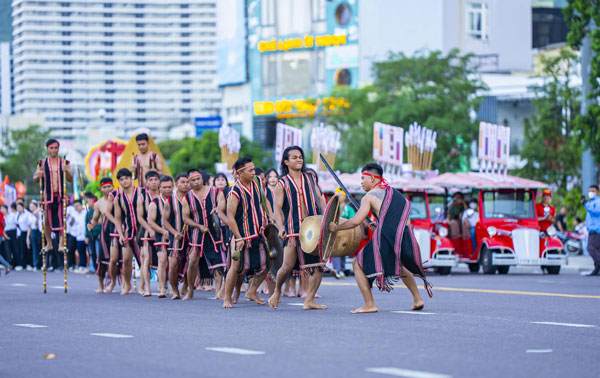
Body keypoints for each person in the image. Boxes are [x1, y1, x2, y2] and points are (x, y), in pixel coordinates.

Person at [328, 163, 432, 313]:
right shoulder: (394, 192)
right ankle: (417, 299)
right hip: (406, 235)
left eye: (363, 178)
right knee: (400, 265)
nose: (361, 182)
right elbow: (397, 219)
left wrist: (336, 227)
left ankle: (369, 304)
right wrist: (381, 224)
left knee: (358, 264)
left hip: (388, 236)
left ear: (371, 178)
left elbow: (356, 221)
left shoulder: (368, 197)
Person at [269, 146, 328, 310]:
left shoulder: (310, 179)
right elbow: (277, 209)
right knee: (287, 266)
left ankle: (309, 300)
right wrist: (280, 228)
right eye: (294, 157)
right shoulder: (282, 183)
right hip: (292, 229)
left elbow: (319, 199)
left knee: (317, 266)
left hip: (313, 229)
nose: (299, 159)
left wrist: (326, 218)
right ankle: (277, 292)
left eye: (300, 157)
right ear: (286, 162)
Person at [222, 157, 271, 308]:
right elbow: (230, 217)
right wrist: (238, 237)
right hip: (242, 235)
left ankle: (251, 291)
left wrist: (270, 218)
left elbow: (264, 200)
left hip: (258, 232)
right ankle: (227, 299)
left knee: (266, 265)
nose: (253, 172)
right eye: (250, 170)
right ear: (239, 173)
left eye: (253, 169)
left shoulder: (256, 181)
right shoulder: (234, 191)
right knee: (236, 267)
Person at [182, 169, 228, 301]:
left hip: (215, 232)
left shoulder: (215, 191)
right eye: (193, 180)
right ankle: (190, 290)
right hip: (197, 233)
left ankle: (219, 291)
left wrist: (218, 210)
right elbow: (186, 218)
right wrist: (198, 226)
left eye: (198, 179)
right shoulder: (187, 197)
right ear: (189, 182)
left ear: (202, 179)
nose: (196, 182)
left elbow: (222, 205)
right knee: (192, 261)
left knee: (219, 263)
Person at [33, 139, 73, 254]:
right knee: (46, 221)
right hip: (48, 195)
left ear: (58, 149)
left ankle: (61, 244)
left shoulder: (64, 162)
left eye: (56, 148)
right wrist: (38, 175)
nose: (54, 150)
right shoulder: (42, 163)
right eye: (51, 148)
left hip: (61, 195)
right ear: (47, 149)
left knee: (62, 219)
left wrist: (67, 172)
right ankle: (49, 244)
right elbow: (35, 179)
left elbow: (70, 179)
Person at [160, 174, 190, 300]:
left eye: (187, 182)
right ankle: (174, 289)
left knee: (192, 263)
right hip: (176, 237)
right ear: (176, 184)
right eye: (182, 182)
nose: (185, 184)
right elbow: (164, 221)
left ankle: (187, 287)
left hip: (192, 236)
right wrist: (174, 232)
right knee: (172, 264)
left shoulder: (192, 198)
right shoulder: (170, 200)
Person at [113, 168, 142, 295]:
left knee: (144, 259)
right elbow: (118, 219)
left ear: (132, 178)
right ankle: (127, 284)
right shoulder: (118, 198)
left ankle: (144, 285)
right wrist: (120, 234)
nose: (124, 181)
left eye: (126, 178)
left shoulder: (141, 192)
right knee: (126, 259)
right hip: (128, 231)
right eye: (121, 179)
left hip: (143, 230)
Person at [88, 178, 118, 293]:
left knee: (117, 259)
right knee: (101, 259)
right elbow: (95, 219)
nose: (107, 189)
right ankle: (100, 285)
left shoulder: (118, 199)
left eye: (109, 186)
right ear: (101, 189)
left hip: (118, 229)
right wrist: (91, 224)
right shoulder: (98, 203)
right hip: (105, 231)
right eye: (104, 187)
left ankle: (118, 282)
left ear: (113, 187)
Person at [136, 170, 160, 296]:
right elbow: (140, 217)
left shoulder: (164, 195)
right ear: (146, 182)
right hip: (146, 231)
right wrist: (150, 230)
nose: (154, 182)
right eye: (151, 180)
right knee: (146, 259)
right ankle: (146, 288)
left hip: (162, 230)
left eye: (156, 179)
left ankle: (163, 286)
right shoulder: (142, 197)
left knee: (163, 259)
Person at [331, 191, 355, 279]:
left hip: (345, 233)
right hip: (335, 233)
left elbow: (353, 220)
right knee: (335, 251)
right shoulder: (332, 208)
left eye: (339, 196)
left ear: (344, 197)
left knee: (344, 251)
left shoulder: (348, 209)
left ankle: (342, 269)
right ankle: (337, 269)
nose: (337, 197)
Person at [584, 185, 600, 276]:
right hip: (593, 230)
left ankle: (598, 267)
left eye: (592, 191)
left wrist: (586, 203)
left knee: (591, 248)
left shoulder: (597, 202)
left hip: (596, 230)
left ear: (597, 192)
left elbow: (596, 211)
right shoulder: (593, 202)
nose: (590, 193)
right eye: (589, 191)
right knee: (597, 250)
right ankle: (596, 270)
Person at [70, 200, 88, 273]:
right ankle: (82, 265)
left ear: (81, 205)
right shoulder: (75, 214)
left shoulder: (86, 212)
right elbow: (71, 224)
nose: (76, 208)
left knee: (88, 251)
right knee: (80, 251)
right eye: (75, 206)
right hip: (78, 236)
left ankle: (87, 266)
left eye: (77, 206)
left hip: (85, 235)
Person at [15, 202, 30, 271]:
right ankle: (21, 264)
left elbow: (29, 226)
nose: (18, 209)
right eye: (17, 207)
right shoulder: (17, 215)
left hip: (25, 233)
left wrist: (27, 237)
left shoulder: (26, 214)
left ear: (23, 207)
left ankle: (27, 264)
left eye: (19, 207)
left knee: (25, 249)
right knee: (20, 249)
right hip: (19, 234)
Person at [28, 201, 42, 271]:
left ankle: (41, 264)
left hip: (38, 231)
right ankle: (35, 264)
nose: (31, 208)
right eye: (30, 206)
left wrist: (39, 207)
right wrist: (28, 237)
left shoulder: (39, 212)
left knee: (40, 248)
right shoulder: (30, 214)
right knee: (34, 249)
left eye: (33, 206)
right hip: (33, 232)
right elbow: (29, 226)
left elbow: (37, 223)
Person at [4, 203, 17, 268]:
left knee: (14, 247)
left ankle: (15, 263)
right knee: (7, 248)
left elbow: (17, 224)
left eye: (3, 209)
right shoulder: (2, 216)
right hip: (5, 232)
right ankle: (8, 263)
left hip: (13, 232)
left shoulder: (12, 215)